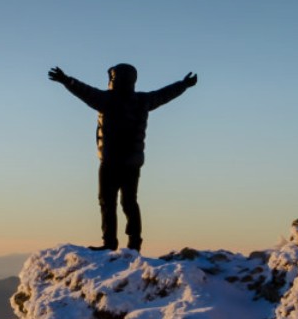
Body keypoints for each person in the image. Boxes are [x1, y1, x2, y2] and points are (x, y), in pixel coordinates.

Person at [47, 63, 197, 252]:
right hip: (132, 162)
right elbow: (164, 94)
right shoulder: (143, 100)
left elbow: (84, 91)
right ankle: (134, 243)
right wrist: (183, 84)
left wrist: (66, 80)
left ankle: (110, 242)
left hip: (110, 161)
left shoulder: (106, 100)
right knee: (129, 201)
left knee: (107, 201)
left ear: (113, 79)